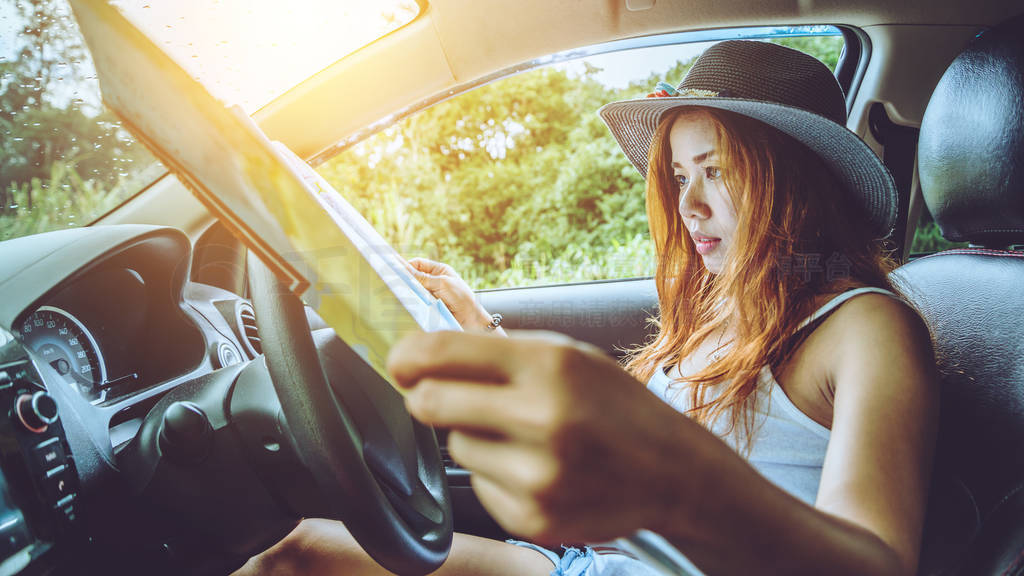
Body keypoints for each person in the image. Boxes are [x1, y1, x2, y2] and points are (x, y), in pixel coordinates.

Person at [234, 40, 938, 576]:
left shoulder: (869, 329)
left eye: (718, 171)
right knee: (296, 552)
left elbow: (876, 563)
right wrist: (478, 333)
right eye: (679, 174)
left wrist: (672, 486)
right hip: (590, 566)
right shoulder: (717, 306)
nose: (689, 205)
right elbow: (594, 483)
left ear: (796, 184)